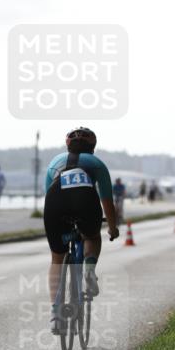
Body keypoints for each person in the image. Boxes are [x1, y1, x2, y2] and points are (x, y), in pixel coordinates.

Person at [43, 128, 120, 330]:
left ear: (67, 145)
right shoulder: (96, 164)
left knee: (57, 259)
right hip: (86, 201)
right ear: (92, 147)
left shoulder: (54, 162)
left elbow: (48, 197)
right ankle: (89, 268)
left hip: (55, 202)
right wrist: (112, 228)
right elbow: (107, 202)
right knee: (92, 237)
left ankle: (56, 315)